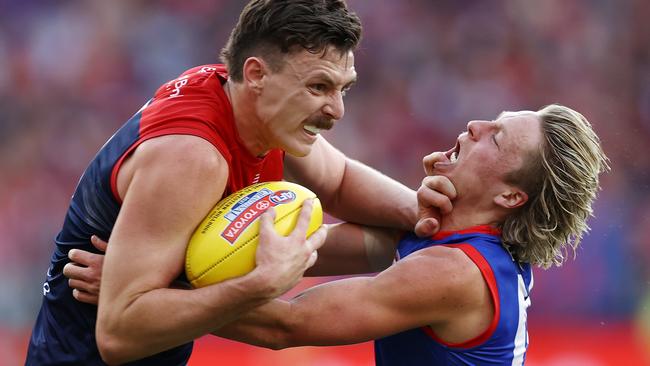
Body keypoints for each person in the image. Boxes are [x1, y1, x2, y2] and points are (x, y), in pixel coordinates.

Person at [25, 1, 420, 365]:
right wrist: (258, 285)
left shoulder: (252, 109)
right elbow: (120, 333)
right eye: (318, 87)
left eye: (343, 88)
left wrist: (430, 217)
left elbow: (338, 183)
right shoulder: (193, 157)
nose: (337, 110)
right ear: (256, 74)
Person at [67, 104, 609, 364]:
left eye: (495, 139)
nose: (473, 126)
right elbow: (301, 245)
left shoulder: (457, 272)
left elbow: (290, 323)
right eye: (491, 119)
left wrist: (144, 293)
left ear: (511, 197)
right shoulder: (449, 241)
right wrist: (148, 259)